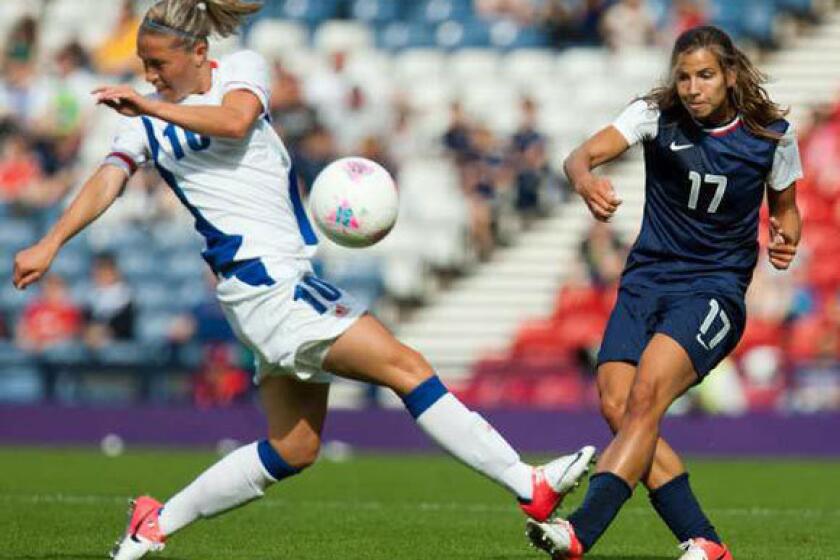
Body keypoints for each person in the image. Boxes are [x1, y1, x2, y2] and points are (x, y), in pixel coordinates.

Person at [11, 2, 595, 559]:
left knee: (295, 447)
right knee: (407, 367)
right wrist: (51, 241)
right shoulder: (143, 125)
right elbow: (105, 181)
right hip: (266, 285)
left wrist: (150, 105)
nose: (149, 75)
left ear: (196, 51)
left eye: (159, 63)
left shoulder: (238, 71)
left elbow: (236, 121)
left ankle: (155, 522)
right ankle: (529, 483)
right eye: (144, 64)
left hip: (277, 282)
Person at [526, 26, 802, 560]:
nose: (693, 87)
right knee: (618, 404)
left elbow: (786, 211)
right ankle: (707, 544)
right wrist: (586, 182)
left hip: (713, 290)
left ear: (729, 76)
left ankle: (579, 531)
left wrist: (787, 238)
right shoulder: (655, 115)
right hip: (646, 281)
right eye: (683, 77)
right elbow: (578, 157)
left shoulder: (772, 136)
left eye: (704, 76)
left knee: (646, 398)